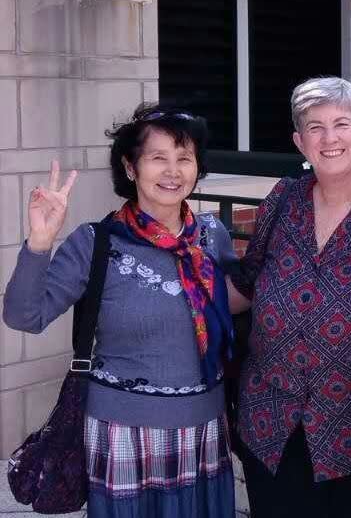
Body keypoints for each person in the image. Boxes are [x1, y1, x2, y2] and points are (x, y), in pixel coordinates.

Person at [3, 105, 236, 517]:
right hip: (124, 437)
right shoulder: (96, 242)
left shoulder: (212, 237)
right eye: (158, 157)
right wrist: (40, 242)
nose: (173, 171)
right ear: (130, 167)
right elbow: (25, 316)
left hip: (203, 431)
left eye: (184, 158)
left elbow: (236, 304)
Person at [225, 77, 351, 518]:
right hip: (272, 424)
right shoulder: (283, 199)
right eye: (314, 127)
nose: (329, 138)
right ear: (298, 141)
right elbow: (245, 286)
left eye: (342, 124)